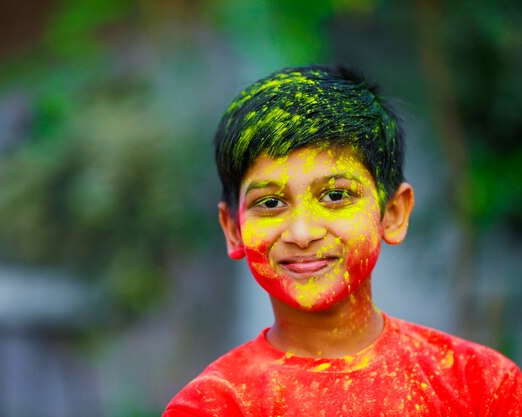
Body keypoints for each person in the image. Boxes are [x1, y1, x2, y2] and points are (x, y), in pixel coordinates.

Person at [163, 64, 522, 416]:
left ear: (394, 213)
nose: (302, 233)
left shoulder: (482, 386)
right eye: (270, 203)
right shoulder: (214, 406)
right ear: (233, 229)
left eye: (335, 196)